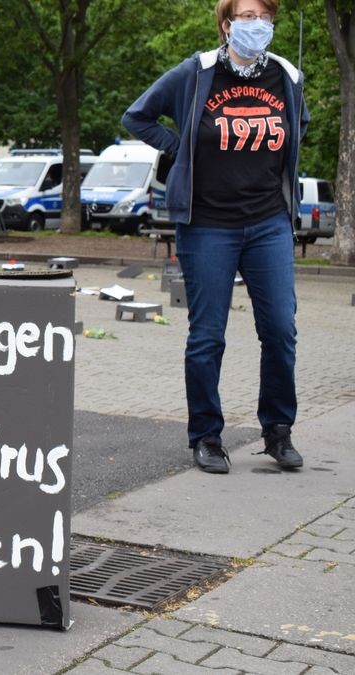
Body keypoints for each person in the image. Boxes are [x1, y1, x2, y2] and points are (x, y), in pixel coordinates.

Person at [122, 0, 307, 474]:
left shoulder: (287, 76)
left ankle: (278, 431)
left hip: (268, 222)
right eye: (247, 16)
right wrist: (179, 146)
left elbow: (297, 127)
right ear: (227, 24)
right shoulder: (196, 72)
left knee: (281, 331)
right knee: (207, 336)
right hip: (207, 224)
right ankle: (206, 435)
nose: (257, 25)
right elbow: (137, 116)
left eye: (265, 17)